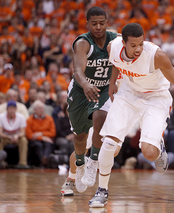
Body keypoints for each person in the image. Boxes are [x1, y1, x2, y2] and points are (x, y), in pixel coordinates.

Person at [89, 23, 174, 208]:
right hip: (128, 93)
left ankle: (158, 146)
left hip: (156, 97)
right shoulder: (113, 46)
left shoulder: (156, 55)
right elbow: (115, 63)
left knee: (148, 152)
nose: (138, 49)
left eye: (140, 44)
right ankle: (101, 191)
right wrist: (113, 82)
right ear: (123, 42)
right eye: (133, 45)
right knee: (110, 144)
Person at [64, 7, 121, 195]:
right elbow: (78, 71)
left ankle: (93, 162)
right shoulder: (82, 43)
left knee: (100, 119)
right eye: (94, 23)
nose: (98, 26)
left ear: (107, 22)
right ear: (87, 24)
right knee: (80, 137)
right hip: (81, 91)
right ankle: (80, 163)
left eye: (102, 23)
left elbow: (134, 43)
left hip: (104, 89)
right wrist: (86, 84)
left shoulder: (116, 40)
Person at [0, 100, 28, 168]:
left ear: (16, 109)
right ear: (7, 109)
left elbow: (23, 132)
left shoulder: (21, 117)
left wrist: (17, 136)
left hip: (17, 137)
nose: (12, 110)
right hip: (5, 137)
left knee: (24, 140)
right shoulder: (0, 117)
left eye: (13, 108)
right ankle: (0, 162)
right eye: (10, 108)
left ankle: (22, 163)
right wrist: (9, 137)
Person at [25, 100, 56, 167]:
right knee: (38, 145)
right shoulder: (29, 120)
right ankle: (43, 161)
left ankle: (44, 159)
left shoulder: (49, 118)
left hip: (47, 138)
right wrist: (42, 138)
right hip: (35, 140)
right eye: (40, 108)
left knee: (48, 143)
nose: (42, 110)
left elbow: (53, 133)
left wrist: (41, 134)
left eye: (42, 108)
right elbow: (29, 135)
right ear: (35, 110)